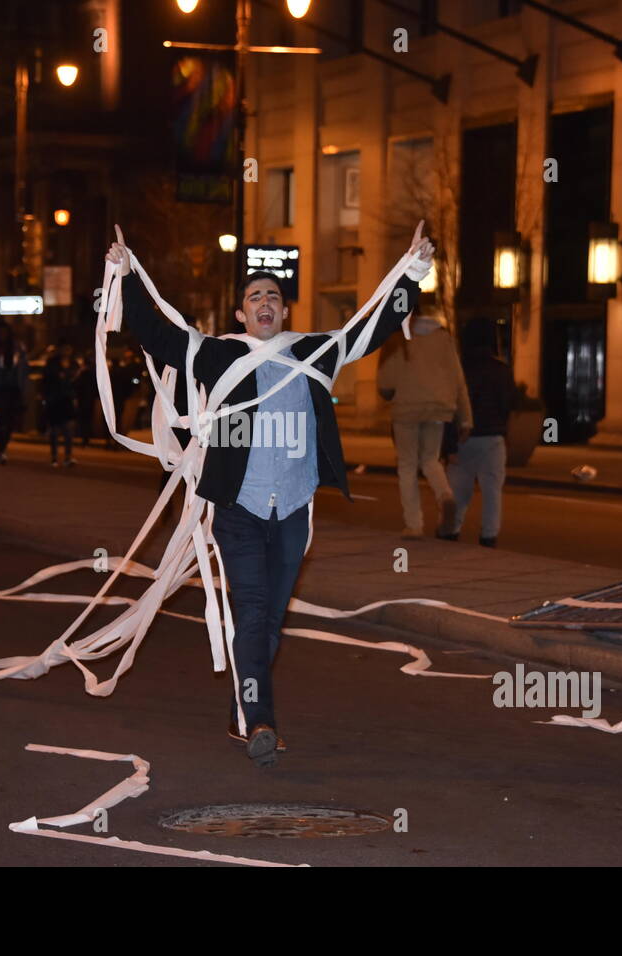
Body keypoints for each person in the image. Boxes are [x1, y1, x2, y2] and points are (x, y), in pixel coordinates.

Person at [109, 221, 431, 767]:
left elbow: (371, 328)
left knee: (270, 618)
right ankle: (260, 720)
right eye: (254, 296)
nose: (264, 302)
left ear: (283, 311)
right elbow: (159, 335)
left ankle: (245, 707)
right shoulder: (217, 354)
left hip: (293, 511)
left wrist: (414, 270)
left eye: (273, 296)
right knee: (253, 610)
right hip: (238, 509)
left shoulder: (312, 352)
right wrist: (126, 275)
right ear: (240, 313)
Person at [377, 295, 472, 539]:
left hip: (407, 408)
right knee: (431, 460)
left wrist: (389, 390)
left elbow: (386, 382)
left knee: (407, 465)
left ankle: (414, 525)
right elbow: (458, 379)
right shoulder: (443, 337)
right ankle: (445, 496)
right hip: (439, 407)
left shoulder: (397, 339)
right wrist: (465, 418)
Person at [440, 320, 515, 547]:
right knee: (492, 492)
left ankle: (450, 531)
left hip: (463, 436)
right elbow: (508, 403)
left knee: (458, 492)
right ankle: (488, 536)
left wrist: (448, 445)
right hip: (492, 437)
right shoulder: (500, 370)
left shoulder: (457, 369)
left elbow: (448, 407)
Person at [0, 321, 28, 465]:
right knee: (1, 419)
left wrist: (22, 383)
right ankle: (1, 449)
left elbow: (24, 366)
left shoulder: (17, 348)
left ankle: (3, 444)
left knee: (11, 419)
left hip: (13, 387)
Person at [42, 341, 78, 466]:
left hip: (67, 400)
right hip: (55, 400)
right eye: (64, 348)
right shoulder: (52, 363)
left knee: (69, 430)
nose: (66, 351)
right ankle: (54, 457)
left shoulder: (74, 364)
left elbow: (76, 382)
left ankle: (68, 457)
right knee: (55, 430)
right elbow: (46, 381)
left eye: (68, 348)